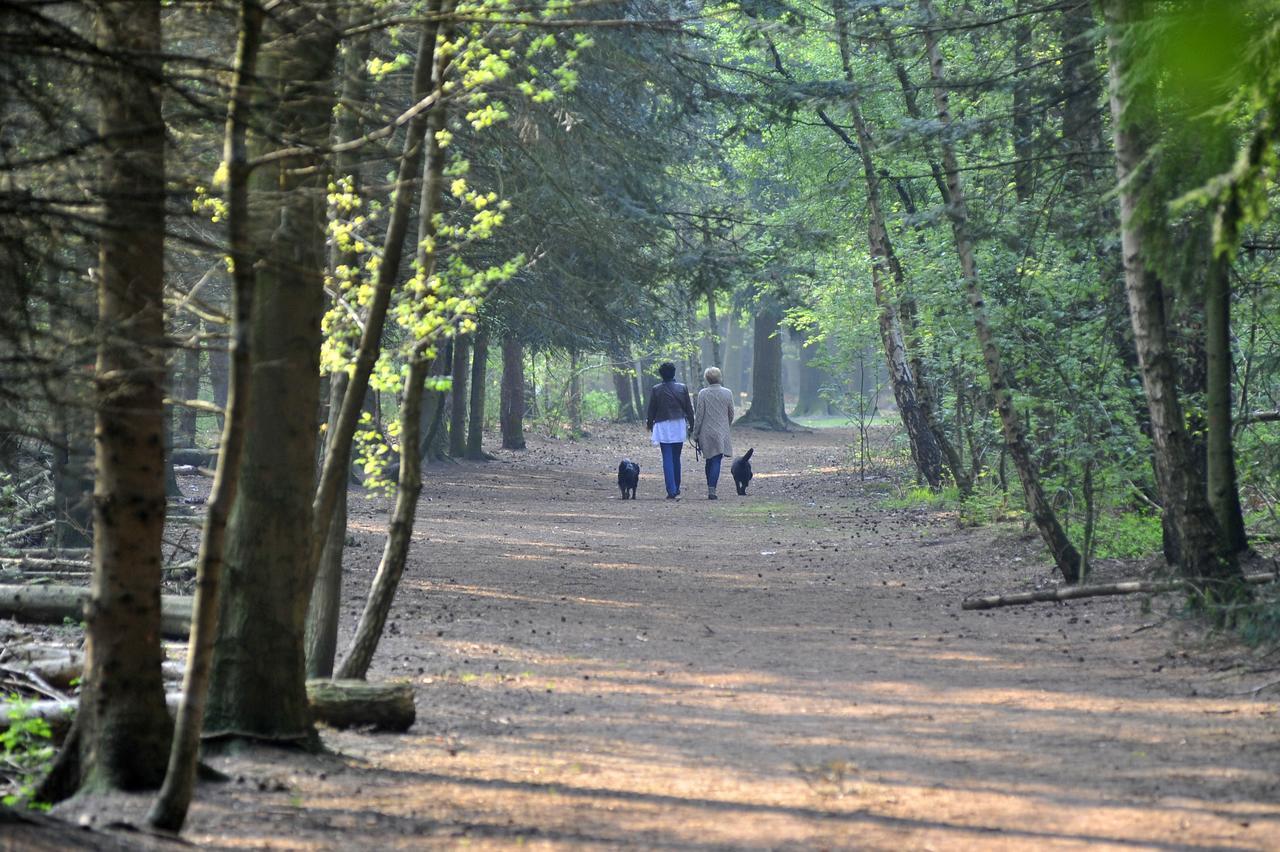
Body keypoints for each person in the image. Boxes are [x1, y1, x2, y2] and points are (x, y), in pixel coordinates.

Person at [645, 362, 694, 499]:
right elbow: (689, 409)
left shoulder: (656, 389)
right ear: (674, 372)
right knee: (676, 457)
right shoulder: (682, 388)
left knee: (666, 456)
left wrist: (649, 424)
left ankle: (671, 490)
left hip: (662, 424)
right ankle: (676, 487)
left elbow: (651, 410)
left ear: (661, 374)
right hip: (678, 423)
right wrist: (692, 425)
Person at [692, 366, 734, 500]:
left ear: (707, 379)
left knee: (709, 460)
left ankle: (710, 486)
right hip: (721, 432)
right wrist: (726, 425)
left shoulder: (703, 393)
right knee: (717, 460)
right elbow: (731, 413)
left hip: (706, 432)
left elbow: (699, 415)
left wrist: (695, 432)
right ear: (719, 377)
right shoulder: (728, 393)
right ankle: (712, 489)